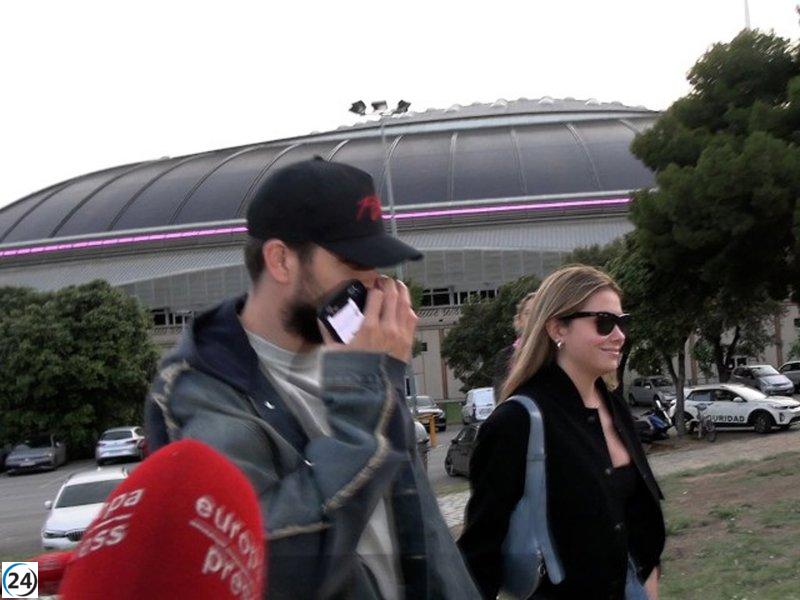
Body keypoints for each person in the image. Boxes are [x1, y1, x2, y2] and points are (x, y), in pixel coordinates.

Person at [145, 158, 481, 600]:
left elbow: (420, 527)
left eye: (377, 266)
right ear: (281, 260)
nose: (373, 285)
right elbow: (279, 564)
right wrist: (363, 390)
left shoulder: (357, 357)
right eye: (353, 263)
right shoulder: (202, 391)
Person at [458, 265, 665, 600]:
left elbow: (634, 510)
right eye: (604, 322)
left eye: (622, 322)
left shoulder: (613, 404)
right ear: (557, 328)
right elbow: (481, 548)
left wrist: (649, 570)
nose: (619, 335)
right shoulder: (516, 421)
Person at [490, 291, 536, 398]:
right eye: (528, 313)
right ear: (519, 320)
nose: (533, 317)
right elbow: (500, 396)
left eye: (538, 312)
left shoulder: (558, 352)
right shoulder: (505, 356)